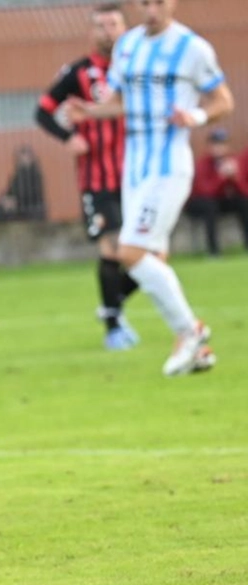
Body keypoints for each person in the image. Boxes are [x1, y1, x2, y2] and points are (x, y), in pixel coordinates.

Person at [67, 0, 234, 376]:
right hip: (135, 168)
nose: (152, 9)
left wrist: (197, 115)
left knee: (130, 251)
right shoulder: (129, 46)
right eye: (145, 3)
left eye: (159, 2)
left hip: (168, 165)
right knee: (153, 259)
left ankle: (189, 330)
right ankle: (195, 350)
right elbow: (123, 102)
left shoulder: (192, 48)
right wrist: (89, 113)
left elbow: (224, 100)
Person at [35, 2, 139, 350]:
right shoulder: (78, 73)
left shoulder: (141, 67)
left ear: (126, 28)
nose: (107, 31)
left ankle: (112, 305)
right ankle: (113, 327)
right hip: (98, 179)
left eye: (113, 24)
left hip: (140, 175)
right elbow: (43, 111)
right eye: (101, 25)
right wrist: (69, 137)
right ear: (91, 31)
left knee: (151, 254)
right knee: (111, 247)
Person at [187, 127, 248, 256]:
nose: (219, 147)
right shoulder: (202, 164)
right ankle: (214, 251)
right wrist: (221, 176)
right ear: (209, 146)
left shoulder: (232, 161)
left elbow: (243, 191)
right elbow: (206, 192)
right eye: (215, 144)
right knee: (210, 206)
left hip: (218, 201)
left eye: (222, 144)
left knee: (243, 202)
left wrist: (234, 178)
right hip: (197, 203)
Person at [0, 145, 47, 223]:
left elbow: (32, 195)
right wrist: (3, 199)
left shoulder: (35, 175)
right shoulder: (17, 175)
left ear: (31, 158)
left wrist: (16, 202)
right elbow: (9, 191)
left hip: (30, 209)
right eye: (19, 158)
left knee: (2, 212)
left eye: (23, 158)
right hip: (18, 208)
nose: (21, 160)